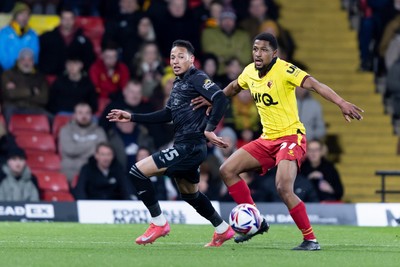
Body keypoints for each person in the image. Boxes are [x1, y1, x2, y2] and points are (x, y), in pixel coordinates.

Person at [191, 32, 363, 250]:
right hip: (267, 139)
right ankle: (256, 222)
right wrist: (213, 99)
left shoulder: (285, 70)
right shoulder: (250, 72)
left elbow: (315, 84)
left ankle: (310, 239)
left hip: (291, 137)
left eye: (263, 50)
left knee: (283, 186)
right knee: (227, 170)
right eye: (255, 49)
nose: (258, 54)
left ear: (274, 53)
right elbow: (234, 87)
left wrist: (341, 102)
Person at [106, 39, 234, 247]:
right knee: (191, 195)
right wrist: (131, 117)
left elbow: (220, 98)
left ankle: (159, 223)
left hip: (190, 146)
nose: (175, 61)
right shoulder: (178, 84)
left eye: (181, 56)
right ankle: (222, 229)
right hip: (189, 147)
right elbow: (167, 114)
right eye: (173, 57)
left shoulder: (197, 77)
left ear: (191, 60)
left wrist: (209, 129)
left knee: (137, 171)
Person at [59, 102, 107, 183]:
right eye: (80, 112)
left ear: (92, 115)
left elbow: (103, 152)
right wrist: (92, 145)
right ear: (74, 115)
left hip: (92, 169)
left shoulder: (99, 131)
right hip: (70, 170)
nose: (84, 116)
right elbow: (70, 150)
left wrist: (78, 147)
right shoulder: (65, 130)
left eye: (87, 113)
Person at [0, 2, 39, 71]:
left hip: (26, 72)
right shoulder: (4, 32)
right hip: (8, 72)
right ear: (15, 16)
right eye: (21, 14)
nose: (25, 17)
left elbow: (35, 56)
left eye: (27, 14)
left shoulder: (32, 34)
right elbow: (2, 55)